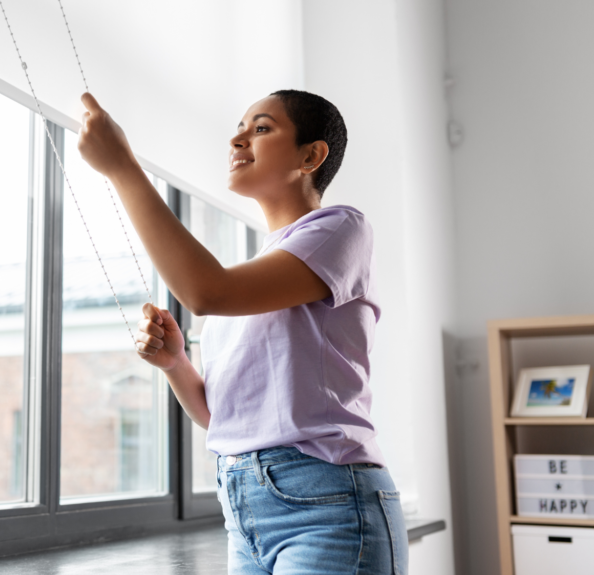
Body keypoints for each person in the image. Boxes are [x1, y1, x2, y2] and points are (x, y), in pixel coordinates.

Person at [77, 89, 408, 574]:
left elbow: (206, 291)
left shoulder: (341, 230)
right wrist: (175, 363)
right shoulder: (255, 279)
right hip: (244, 510)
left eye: (260, 128)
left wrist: (123, 167)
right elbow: (222, 418)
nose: (236, 138)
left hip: (330, 508)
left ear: (311, 155)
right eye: (240, 127)